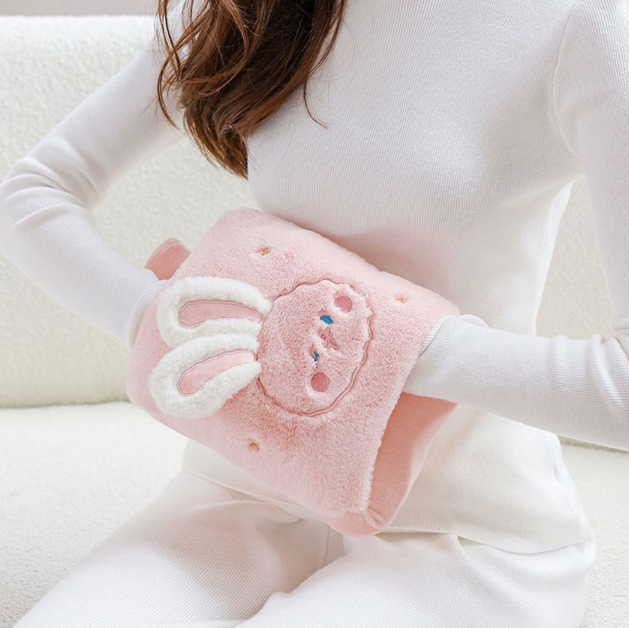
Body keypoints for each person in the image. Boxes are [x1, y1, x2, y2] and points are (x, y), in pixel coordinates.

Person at [1, 0, 628, 625]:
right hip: (238, 491)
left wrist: (399, 346)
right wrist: (157, 320)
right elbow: (34, 193)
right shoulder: (250, 7)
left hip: (465, 534)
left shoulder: (583, 23)